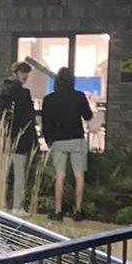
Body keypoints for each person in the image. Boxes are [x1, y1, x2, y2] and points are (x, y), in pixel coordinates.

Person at [42, 67, 94, 222]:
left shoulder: (50, 99)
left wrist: (48, 140)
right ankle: (77, 211)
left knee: (60, 175)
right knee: (79, 175)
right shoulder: (79, 96)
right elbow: (88, 116)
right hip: (76, 139)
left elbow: (46, 122)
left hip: (58, 140)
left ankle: (58, 211)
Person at [0, 61, 38, 216]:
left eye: (26, 73)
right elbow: (28, 118)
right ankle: (16, 207)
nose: (25, 76)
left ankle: (1, 205)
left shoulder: (3, 92)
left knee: (4, 174)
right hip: (20, 139)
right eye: (23, 73)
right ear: (15, 73)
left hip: (6, 138)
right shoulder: (23, 93)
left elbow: (1, 115)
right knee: (19, 175)